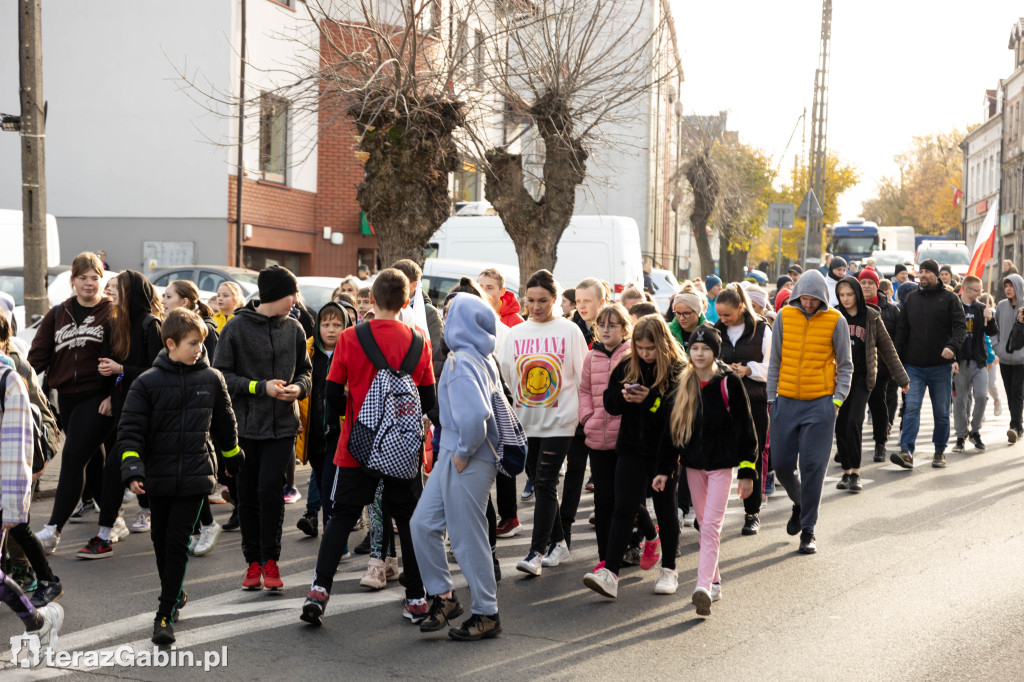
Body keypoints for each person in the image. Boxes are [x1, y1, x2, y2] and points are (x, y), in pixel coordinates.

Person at [300, 269, 435, 626]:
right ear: (406, 302)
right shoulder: (420, 340)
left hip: (356, 445)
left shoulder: (349, 337)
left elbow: (330, 393)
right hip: (402, 450)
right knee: (407, 519)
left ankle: (319, 591)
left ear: (371, 300)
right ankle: (417, 597)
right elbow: (427, 397)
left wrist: (348, 419)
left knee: (342, 516)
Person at [118, 309, 242, 645]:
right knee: (160, 539)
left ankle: (164, 612)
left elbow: (225, 425)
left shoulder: (211, 379)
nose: (199, 349)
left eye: (201, 342)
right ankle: (176, 594)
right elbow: (130, 431)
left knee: (175, 542)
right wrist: (132, 469)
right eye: (192, 343)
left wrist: (233, 460)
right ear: (170, 344)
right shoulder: (147, 383)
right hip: (157, 478)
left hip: (195, 475)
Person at [213, 265, 312, 590]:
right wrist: (259, 387)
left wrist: (298, 389)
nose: (296, 300)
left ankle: (271, 561)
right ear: (276, 295)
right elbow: (220, 375)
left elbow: (306, 373)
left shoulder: (295, 329)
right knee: (249, 495)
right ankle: (252, 562)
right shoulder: (236, 328)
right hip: (244, 428)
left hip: (283, 426)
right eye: (292, 294)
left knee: (271, 490)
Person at [411, 294, 503, 641]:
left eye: (451, 315)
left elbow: (475, 418)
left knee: (467, 538)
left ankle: (486, 612)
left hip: (466, 454)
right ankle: (445, 597)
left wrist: (463, 451)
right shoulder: (476, 355)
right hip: (460, 451)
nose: (446, 321)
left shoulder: (461, 360)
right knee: (423, 524)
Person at [582, 315, 683, 598]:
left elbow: (674, 413)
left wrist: (648, 400)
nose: (645, 353)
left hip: (663, 450)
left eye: (650, 348)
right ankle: (610, 572)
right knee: (623, 507)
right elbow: (610, 403)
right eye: (640, 347)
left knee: (665, 508)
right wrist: (624, 398)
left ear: (662, 344)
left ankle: (670, 569)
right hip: (630, 446)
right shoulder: (629, 364)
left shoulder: (677, 368)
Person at [661, 326, 756, 615]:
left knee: (711, 526)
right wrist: (664, 469)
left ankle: (702, 586)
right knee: (704, 524)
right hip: (693, 465)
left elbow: (745, 426)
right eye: (694, 349)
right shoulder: (682, 382)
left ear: (715, 352)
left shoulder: (728, 382)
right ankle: (714, 582)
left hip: (721, 466)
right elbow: (671, 431)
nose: (699, 354)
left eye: (705, 349)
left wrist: (747, 470)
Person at [500, 270, 587, 576]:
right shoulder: (516, 333)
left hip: (561, 421)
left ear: (555, 299)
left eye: (544, 301)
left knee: (546, 481)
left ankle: (536, 552)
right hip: (526, 421)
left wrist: (582, 417)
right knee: (537, 480)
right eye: (531, 300)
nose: (536, 307)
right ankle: (560, 541)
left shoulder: (570, 331)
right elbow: (509, 376)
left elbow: (581, 376)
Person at [29, 253, 115, 554]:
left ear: (100, 280)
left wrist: (113, 396)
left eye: (94, 278)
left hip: (99, 397)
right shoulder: (58, 313)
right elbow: (37, 355)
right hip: (66, 396)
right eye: (83, 277)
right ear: (73, 280)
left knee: (74, 456)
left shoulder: (112, 312)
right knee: (94, 461)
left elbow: (124, 357)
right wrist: (17, 380)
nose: (89, 283)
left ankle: (53, 529)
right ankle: (112, 518)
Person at [74, 271, 163, 559]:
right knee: (118, 471)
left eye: (118, 289)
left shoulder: (151, 325)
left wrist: (121, 370)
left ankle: (196, 526)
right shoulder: (113, 324)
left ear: (132, 293)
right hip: (125, 412)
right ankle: (104, 535)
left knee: (144, 473)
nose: (111, 293)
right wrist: (108, 385)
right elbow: (110, 366)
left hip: (151, 415)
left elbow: (159, 373)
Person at [766, 270, 852, 554]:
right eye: (804, 297)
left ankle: (809, 529)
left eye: (814, 299)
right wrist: (771, 399)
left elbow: (846, 365)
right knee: (780, 464)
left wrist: (836, 401)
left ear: (822, 299)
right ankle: (800, 501)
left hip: (820, 405)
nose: (808, 303)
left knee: (813, 468)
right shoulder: (783, 317)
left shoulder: (836, 321)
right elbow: (775, 360)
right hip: (785, 402)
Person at [0, 358, 64, 667]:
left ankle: (37, 620)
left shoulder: (9, 380)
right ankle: (36, 621)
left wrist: (13, 506)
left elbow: (16, 451)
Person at [163, 280, 225, 555]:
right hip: (175, 414)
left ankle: (208, 524)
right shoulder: (169, 328)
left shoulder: (204, 331)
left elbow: (209, 373)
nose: (163, 300)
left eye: (169, 295)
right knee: (184, 475)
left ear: (185, 301)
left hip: (196, 415)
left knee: (194, 474)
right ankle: (198, 527)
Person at [578, 303, 642, 570]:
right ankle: (605, 556)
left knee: (626, 499)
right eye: (601, 324)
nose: (605, 330)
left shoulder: (632, 356)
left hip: (624, 440)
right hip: (597, 437)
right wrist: (586, 418)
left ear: (625, 329)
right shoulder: (592, 357)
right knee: (603, 500)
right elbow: (583, 391)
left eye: (611, 325)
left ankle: (632, 547)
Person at [834, 277, 909, 490]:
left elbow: (887, 348)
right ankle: (846, 471)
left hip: (862, 379)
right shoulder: (834, 316)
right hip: (838, 379)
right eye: (842, 295)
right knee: (840, 425)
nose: (846, 299)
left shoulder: (872, 317)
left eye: (850, 294)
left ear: (857, 294)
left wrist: (901, 378)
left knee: (854, 422)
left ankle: (856, 473)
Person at [891, 259, 966, 469]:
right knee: (911, 408)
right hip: (913, 366)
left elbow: (961, 327)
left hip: (940, 366)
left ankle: (940, 450)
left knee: (941, 412)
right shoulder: (911, 299)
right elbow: (902, 331)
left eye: (927, 272)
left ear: (936, 274)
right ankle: (906, 451)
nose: (922, 275)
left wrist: (952, 347)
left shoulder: (950, 298)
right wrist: (896, 359)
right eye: (920, 272)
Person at [714, 285, 771, 534]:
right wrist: (723, 369)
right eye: (720, 315)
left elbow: (773, 366)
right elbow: (705, 360)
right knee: (718, 457)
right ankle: (711, 512)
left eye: (727, 315)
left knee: (752, 459)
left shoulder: (762, 329)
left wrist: (749, 369)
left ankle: (752, 512)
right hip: (721, 401)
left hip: (753, 401)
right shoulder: (715, 331)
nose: (723, 319)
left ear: (740, 307)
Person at [295, 302, 351, 541]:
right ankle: (335, 541)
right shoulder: (307, 350)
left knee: (330, 488)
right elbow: (295, 384)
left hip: (340, 433)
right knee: (320, 479)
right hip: (313, 431)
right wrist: (295, 415)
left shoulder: (351, 350)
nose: (330, 330)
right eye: (325, 324)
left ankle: (334, 544)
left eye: (337, 325)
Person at [859, 269, 901, 462]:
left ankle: (880, 444)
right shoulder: (851, 306)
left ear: (877, 286)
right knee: (853, 411)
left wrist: (894, 366)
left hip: (881, 368)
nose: (866, 286)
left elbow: (896, 340)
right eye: (863, 282)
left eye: (870, 282)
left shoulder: (891, 310)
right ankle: (848, 447)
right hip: (856, 367)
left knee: (878, 406)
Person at [951, 276, 996, 453]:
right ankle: (961, 436)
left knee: (981, 397)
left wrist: (990, 319)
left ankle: (975, 431)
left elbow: (992, 332)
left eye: (981, 290)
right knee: (960, 401)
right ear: (966, 289)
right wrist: (952, 359)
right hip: (960, 362)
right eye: (977, 290)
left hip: (978, 362)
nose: (980, 293)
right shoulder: (955, 308)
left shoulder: (981, 308)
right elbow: (949, 334)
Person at [992, 273, 1024, 442]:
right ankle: (1018, 423)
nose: (1008, 289)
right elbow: (994, 330)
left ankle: (1014, 426)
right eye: (1006, 286)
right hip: (1004, 359)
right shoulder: (1001, 306)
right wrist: (997, 348)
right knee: (1010, 394)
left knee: (1017, 392)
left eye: (1011, 285)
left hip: (1022, 360)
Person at [981, 293, 1002, 416]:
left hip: (992, 356)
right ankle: (981, 412)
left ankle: (997, 399)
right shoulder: (977, 317)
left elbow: (994, 337)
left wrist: (995, 355)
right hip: (979, 356)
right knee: (979, 386)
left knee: (990, 384)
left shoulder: (994, 317)